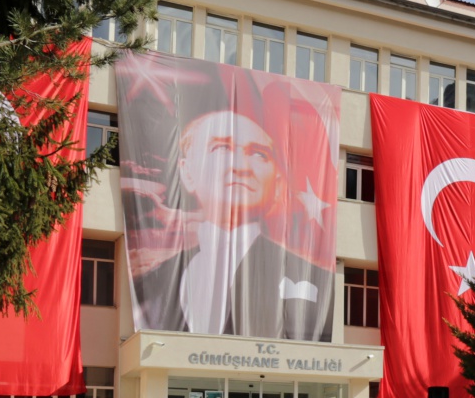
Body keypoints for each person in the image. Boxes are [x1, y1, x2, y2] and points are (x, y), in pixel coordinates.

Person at [132, 110, 334, 341]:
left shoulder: (313, 278)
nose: (240, 166)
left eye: (259, 154)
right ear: (187, 172)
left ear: (277, 185)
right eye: (221, 148)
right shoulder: (150, 284)